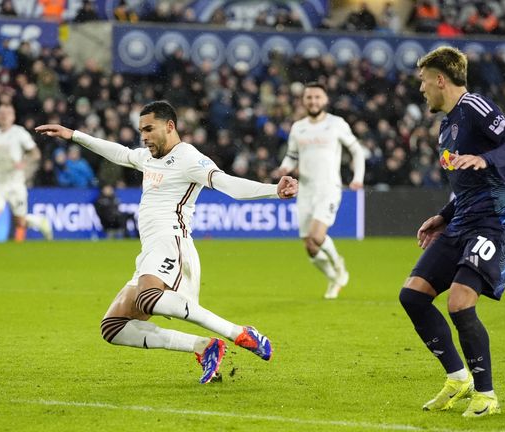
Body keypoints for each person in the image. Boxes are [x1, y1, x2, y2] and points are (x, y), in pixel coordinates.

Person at [36, 101, 298, 384]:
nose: (144, 136)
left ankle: (239, 333)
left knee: (147, 299)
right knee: (113, 327)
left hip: (172, 241)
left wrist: (274, 191)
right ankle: (203, 347)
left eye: (149, 129)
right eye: (141, 131)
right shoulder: (149, 158)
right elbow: (120, 153)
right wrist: (73, 135)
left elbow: (228, 184)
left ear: (170, 126)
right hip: (150, 250)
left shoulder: (188, 157)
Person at [400, 46, 505, 417]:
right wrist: (443, 215)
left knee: (459, 302)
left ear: (441, 79)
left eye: (424, 81)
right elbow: (466, 186)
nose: (421, 89)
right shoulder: (446, 127)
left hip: (498, 221)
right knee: (412, 296)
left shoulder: (474, 106)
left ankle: (487, 395)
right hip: (462, 221)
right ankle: (458, 378)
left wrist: (485, 158)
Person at [274, 83, 365, 299]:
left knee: (317, 235)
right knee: (310, 246)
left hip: (329, 188)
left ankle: (339, 266)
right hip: (305, 190)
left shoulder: (336, 124)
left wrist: (358, 178)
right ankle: (333, 278)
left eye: (317, 97)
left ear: (325, 100)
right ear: (303, 101)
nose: (313, 101)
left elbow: (357, 150)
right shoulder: (298, 127)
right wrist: (285, 167)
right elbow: (292, 155)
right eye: (309, 97)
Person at [0, 104, 53, 266]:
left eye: (7, 113)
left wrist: (24, 162)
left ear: (13, 117)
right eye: (1, 113)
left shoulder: (19, 133)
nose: (3, 116)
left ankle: (40, 222)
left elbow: (35, 154)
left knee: (20, 223)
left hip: (15, 183)